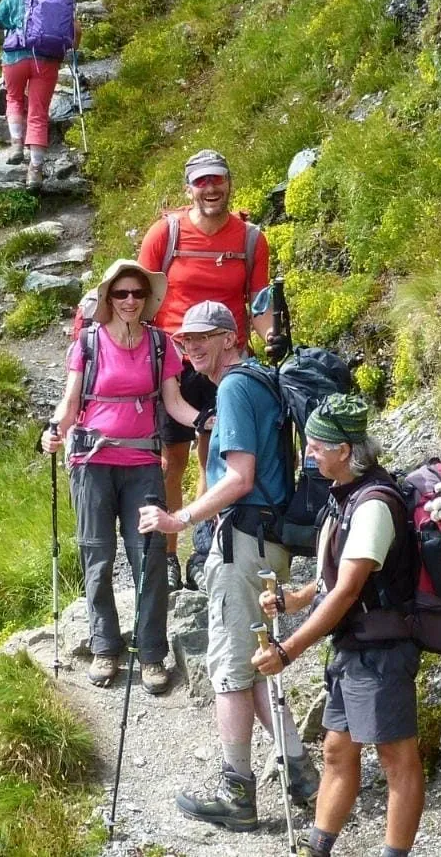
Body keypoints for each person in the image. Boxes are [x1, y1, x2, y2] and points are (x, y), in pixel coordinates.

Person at [139, 300, 316, 832]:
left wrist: (181, 520)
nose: (189, 346)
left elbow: (239, 477)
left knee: (229, 672)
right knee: (249, 663)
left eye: (201, 337)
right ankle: (304, 774)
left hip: (243, 541)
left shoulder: (236, 387)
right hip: (265, 540)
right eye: (185, 339)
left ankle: (236, 792)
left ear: (229, 338)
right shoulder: (258, 380)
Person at [253, 394, 424, 857]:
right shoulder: (343, 497)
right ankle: (317, 850)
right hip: (355, 650)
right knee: (336, 752)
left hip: (382, 651)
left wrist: (287, 650)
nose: (308, 454)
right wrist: (296, 598)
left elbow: (348, 591)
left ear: (345, 450)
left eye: (315, 446)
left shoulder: (372, 506)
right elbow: (335, 579)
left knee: (396, 759)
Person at [42, 260, 201, 696]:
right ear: (108, 298)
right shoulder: (88, 343)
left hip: (143, 463)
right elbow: (71, 402)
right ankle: (105, 647)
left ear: (146, 298)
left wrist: (207, 420)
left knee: (148, 557)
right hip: (91, 464)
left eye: (136, 294)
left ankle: (152, 654)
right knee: (98, 556)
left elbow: (174, 404)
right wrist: (54, 430)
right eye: (121, 294)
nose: (130, 301)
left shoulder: (160, 344)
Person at [138, 149, 279, 589]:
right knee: (169, 460)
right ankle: (165, 556)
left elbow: (258, 303)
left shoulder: (251, 239)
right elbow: (138, 296)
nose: (210, 188)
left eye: (217, 179)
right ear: (189, 188)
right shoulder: (166, 233)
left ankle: (205, 548)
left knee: (213, 456)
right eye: (201, 182)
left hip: (225, 362)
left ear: (229, 183)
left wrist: (273, 336)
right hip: (173, 362)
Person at [0, 0, 79, 189]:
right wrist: (71, 48)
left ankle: (17, 144)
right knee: (38, 113)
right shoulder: (58, 1)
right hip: (47, 61)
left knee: (14, 98)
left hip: (14, 60)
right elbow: (75, 33)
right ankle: (35, 171)